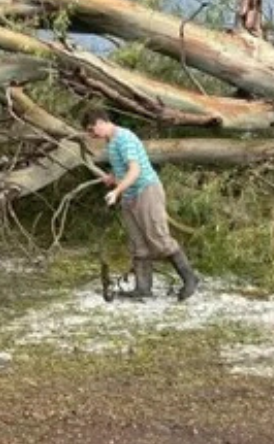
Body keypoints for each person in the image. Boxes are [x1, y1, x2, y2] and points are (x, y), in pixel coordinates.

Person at [82, 107, 200, 301]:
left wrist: (116, 191)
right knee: (138, 244)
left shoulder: (124, 138)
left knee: (159, 238)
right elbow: (124, 171)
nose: (91, 134)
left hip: (146, 190)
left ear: (101, 122)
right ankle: (143, 288)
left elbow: (135, 170)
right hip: (129, 196)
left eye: (91, 129)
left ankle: (190, 278)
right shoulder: (110, 143)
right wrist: (113, 178)